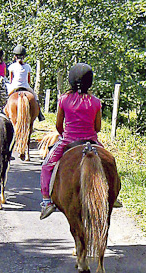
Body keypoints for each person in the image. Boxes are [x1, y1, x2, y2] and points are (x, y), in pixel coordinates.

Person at [39, 63, 102, 220]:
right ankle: (112, 196)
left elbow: (58, 125)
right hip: (92, 141)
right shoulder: (95, 102)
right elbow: (98, 127)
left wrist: (64, 135)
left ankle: (47, 201)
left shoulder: (64, 100)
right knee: (111, 162)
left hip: (68, 141)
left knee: (47, 165)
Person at [7, 45, 45, 121]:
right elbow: (29, 80)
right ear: (24, 56)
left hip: (14, 86)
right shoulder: (28, 66)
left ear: (15, 56)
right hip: (26, 86)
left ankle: (3, 112)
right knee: (35, 98)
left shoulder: (12, 66)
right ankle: (40, 115)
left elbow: (11, 80)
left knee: (5, 98)